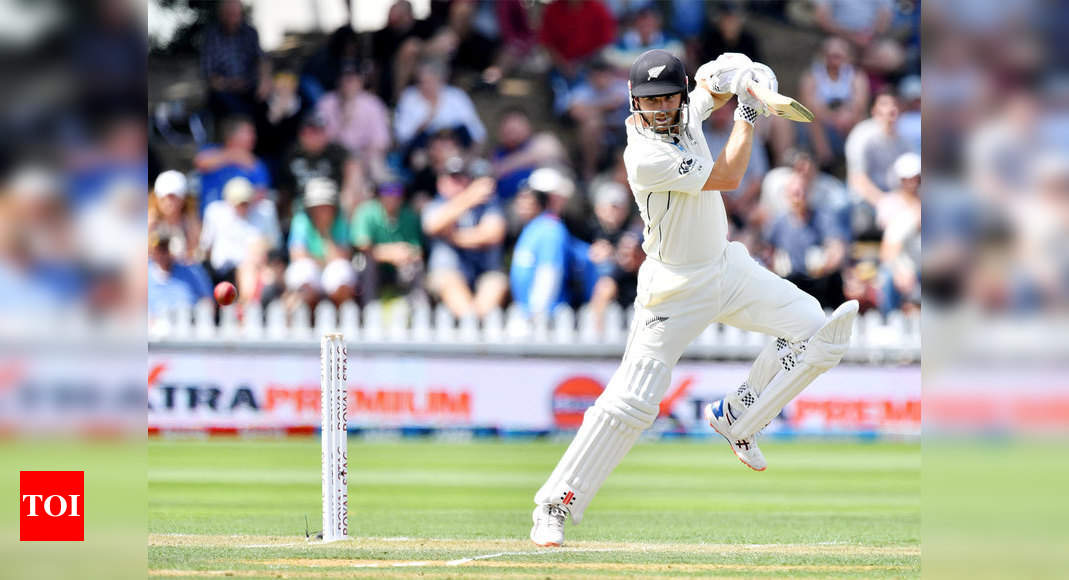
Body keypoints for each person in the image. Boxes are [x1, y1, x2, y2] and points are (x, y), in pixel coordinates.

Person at [529, 50, 857, 547]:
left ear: (680, 93)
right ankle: (554, 505)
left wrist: (747, 75)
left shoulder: (687, 111)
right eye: (648, 102)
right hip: (673, 287)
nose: (660, 111)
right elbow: (727, 176)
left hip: (725, 267)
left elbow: (719, 76)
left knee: (814, 328)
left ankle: (740, 416)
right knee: (631, 404)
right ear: (633, 103)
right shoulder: (644, 153)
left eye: (667, 99)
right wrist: (748, 112)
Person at [422, 156, 508, 319]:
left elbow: (492, 234)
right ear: (441, 182)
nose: (457, 183)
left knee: (495, 283)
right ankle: (470, 322)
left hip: (484, 272)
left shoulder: (488, 204)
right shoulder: (434, 205)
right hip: (448, 274)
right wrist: (467, 198)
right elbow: (432, 225)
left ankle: (476, 327)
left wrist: (452, 237)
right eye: (452, 178)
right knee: (449, 281)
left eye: (461, 178)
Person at [509, 167, 593, 317]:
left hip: (543, 321)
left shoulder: (550, 230)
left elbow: (548, 274)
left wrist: (536, 316)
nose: (523, 200)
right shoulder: (535, 227)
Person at [765, 173, 849, 308]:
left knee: (835, 281)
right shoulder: (778, 223)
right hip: (792, 283)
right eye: (795, 193)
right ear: (787, 195)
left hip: (820, 280)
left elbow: (837, 247)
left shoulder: (823, 218)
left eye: (803, 192)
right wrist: (775, 264)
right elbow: (768, 251)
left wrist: (827, 261)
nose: (799, 197)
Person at [844, 88, 913, 237]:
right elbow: (857, 180)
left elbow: (911, 179)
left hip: (896, 201)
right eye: (884, 104)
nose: (890, 109)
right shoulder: (861, 136)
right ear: (874, 110)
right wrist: (884, 203)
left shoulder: (905, 141)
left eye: (894, 104)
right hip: (865, 203)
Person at [798, 37, 870, 168]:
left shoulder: (856, 75)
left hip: (848, 119)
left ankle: (856, 161)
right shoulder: (812, 75)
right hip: (822, 119)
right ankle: (826, 160)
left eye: (838, 56)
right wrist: (831, 117)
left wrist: (846, 115)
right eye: (830, 55)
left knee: (860, 118)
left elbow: (860, 102)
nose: (833, 60)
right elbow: (807, 103)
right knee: (811, 118)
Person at [278, 113, 361, 225]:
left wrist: (348, 191)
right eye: (313, 132)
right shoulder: (292, 155)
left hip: (331, 202)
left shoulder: (335, 152)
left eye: (321, 131)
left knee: (348, 201)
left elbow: (353, 166)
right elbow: (285, 190)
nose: (318, 136)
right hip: (302, 203)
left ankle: (344, 238)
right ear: (303, 134)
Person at [394, 60, 487, 159]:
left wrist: (470, 157)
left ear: (441, 80)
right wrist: (426, 122)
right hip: (423, 152)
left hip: (457, 151)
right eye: (421, 82)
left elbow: (477, 132)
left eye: (430, 81)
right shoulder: (409, 97)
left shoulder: (457, 96)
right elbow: (402, 137)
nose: (425, 86)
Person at [198, 176, 281, 287]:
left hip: (257, 269)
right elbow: (205, 247)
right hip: (224, 274)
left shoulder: (265, 212)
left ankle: (248, 303)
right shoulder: (215, 213)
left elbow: (275, 243)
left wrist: (260, 251)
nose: (242, 207)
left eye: (245, 202)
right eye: (238, 203)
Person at [351, 182, 425, 302]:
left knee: (415, 265)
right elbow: (361, 244)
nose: (392, 196)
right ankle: (368, 306)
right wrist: (390, 253)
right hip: (374, 267)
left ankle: (416, 307)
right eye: (387, 191)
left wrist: (405, 254)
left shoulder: (408, 215)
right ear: (379, 194)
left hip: (401, 267)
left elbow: (417, 249)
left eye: (397, 191)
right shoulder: (366, 211)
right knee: (365, 263)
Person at [200, 0, 266, 121]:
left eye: (237, 14)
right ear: (221, 15)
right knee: (224, 102)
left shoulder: (250, 32)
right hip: (225, 90)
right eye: (229, 14)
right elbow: (209, 75)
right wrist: (230, 84)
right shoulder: (211, 36)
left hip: (250, 87)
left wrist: (264, 80)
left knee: (268, 101)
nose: (234, 18)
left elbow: (261, 60)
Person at [192, 115, 271, 218]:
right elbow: (200, 162)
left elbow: (261, 192)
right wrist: (232, 155)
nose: (253, 137)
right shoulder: (212, 150)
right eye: (248, 132)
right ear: (232, 135)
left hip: (241, 220)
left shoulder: (255, 163)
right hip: (210, 218)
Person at [148, 170, 201, 263]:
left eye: (174, 197)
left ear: (183, 199)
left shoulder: (190, 223)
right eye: (164, 198)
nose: (169, 203)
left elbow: (192, 255)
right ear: (157, 199)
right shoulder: (149, 222)